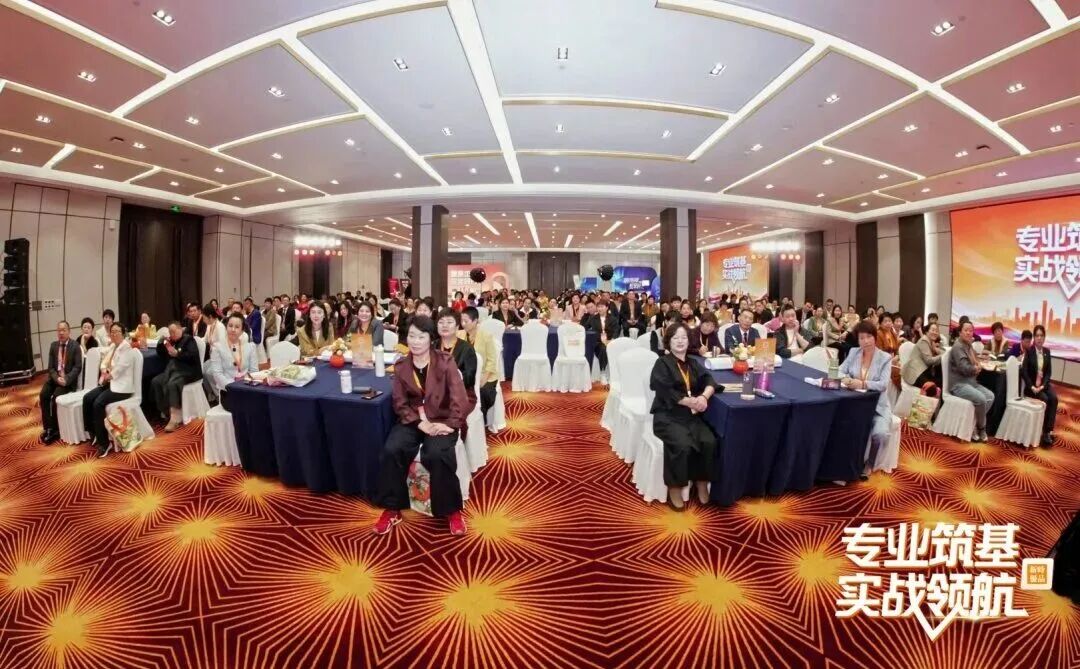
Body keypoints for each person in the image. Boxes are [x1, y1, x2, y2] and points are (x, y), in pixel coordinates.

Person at [372, 316, 470, 536]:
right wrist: (419, 423)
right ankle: (392, 508)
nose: (415, 342)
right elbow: (400, 403)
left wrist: (451, 424)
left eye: (421, 337)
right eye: (412, 336)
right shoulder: (401, 366)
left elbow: (459, 398)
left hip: (442, 419)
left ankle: (452, 511)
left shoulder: (445, 362)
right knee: (392, 449)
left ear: (431, 338)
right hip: (413, 420)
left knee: (436, 454)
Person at [649, 322, 719, 511]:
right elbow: (663, 390)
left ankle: (701, 482)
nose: (680, 341)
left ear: (689, 341)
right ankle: (675, 487)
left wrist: (704, 397)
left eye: (683, 338)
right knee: (682, 445)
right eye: (675, 338)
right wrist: (690, 402)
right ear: (668, 341)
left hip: (690, 415)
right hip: (667, 415)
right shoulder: (662, 363)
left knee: (709, 441)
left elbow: (710, 380)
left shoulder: (693, 363)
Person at [838, 320, 893, 474]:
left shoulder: (885, 358)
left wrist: (862, 384)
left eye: (869, 337)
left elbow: (883, 385)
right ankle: (845, 463)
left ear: (875, 337)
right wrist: (847, 379)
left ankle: (870, 463)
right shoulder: (853, 352)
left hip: (877, 406)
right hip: (855, 404)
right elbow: (840, 370)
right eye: (862, 338)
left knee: (880, 434)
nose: (866, 341)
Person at [82, 322, 137, 457]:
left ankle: (105, 443)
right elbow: (104, 362)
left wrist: (108, 375)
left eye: (117, 331)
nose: (114, 334)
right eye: (112, 332)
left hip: (122, 387)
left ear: (123, 334)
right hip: (110, 383)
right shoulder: (113, 346)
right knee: (87, 398)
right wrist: (104, 370)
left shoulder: (127, 348)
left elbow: (120, 369)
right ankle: (93, 432)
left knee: (98, 403)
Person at [947, 321, 994, 442]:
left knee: (990, 396)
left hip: (970, 382)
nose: (969, 333)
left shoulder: (968, 346)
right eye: (966, 330)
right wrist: (976, 368)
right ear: (960, 332)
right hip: (958, 384)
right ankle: (981, 428)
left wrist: (979, 363)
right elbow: (964, 368)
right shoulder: (958, 347)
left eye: (971, 330)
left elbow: (975, 360)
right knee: (981, 399)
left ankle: (973, 425)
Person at [152, 321, 203, 432]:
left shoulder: (188, 340)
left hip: (189, 371)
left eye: (174, 331)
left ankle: (175, 418)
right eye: (170, 332)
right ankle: (166, 411)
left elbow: (192, 356)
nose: (172, 334)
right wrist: (161, 343)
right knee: (156, 381)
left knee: (172, 383)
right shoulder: (171, 342)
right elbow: (161, 354)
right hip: (174, 371)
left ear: (180, 329)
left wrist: (178, 354)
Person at [39, 321, 83, 444]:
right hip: (55, 379)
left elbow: (77, 367)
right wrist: (57, 378)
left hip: (68, 381)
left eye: (64, 330)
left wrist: (67, 379)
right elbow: (50, 368)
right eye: (59, 330)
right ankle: (48, 427)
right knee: (43, 395)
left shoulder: (75, 346)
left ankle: (55, 429)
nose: (61, 333)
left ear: (69, 331)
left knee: (55, 397)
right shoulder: (54, 346)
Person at [206, 313, 258, 412]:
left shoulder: (250, 347)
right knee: (244, 408)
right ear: (226, 327)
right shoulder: (217, 348)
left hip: (247, 388)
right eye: (230, 326)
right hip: (228, 391)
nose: (233, 329)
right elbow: (217, 374)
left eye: (237, 327)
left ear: (242, 330)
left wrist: (246, 386)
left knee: (259, 405)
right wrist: (234, 387)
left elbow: (254, 371)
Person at [460, 307, 498, 425]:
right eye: (461, 321)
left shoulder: (486, 336)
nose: (463, 324)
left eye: (466, 321)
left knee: (483, 391)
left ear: (476, 321)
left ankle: (480, 421)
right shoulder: (459, 334)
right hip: (466, 374)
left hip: (485, 374)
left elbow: (492, 360)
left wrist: (484, 378)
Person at [1021, 325, 1057, 447]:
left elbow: (1048, 373)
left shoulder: (1047, 352)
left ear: (1044, 338)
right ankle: (1041, 431)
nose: (1039, 338)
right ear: (1034, 338)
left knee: (1054, 398)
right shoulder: (1029, 351)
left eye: (1041, 335)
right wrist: (1032, 387)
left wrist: (1043, 386)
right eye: (1037, 335)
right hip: (1031, 387)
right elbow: (1024, 372)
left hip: (1043, 385)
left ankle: (1047, 431)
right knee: (1045, 399)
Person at [436, 309, 478, 414]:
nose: (444, 325)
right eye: (441, 322)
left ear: (457, 327)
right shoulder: (432, 346)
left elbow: (469, 378)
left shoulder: (467, 349)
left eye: (449, 322)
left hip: (461, 394)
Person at [581, 299, 620, 382]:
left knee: (608, 347)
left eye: (602, 307)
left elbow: (617, 330)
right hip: (598, 342)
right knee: (602, 348)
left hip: (610, 341)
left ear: (606, 308)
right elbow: (584, 328)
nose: (600, 309)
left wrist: (611, 340)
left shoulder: (613, 319)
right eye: (598, 307)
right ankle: (603, 372)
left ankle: (613, 372)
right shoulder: (593, 318)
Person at [902, 321, 944, 392]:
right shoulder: (924, 341)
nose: (935, 332)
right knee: (932, 388)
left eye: (937, 331)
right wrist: (943, 355)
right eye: (933, 330)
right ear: (927, 332)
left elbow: (943, 352)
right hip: (916, 373)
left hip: (924, 371)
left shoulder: (932, 342)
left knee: (940, 381)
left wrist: (936, 350)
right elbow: (929, 361)